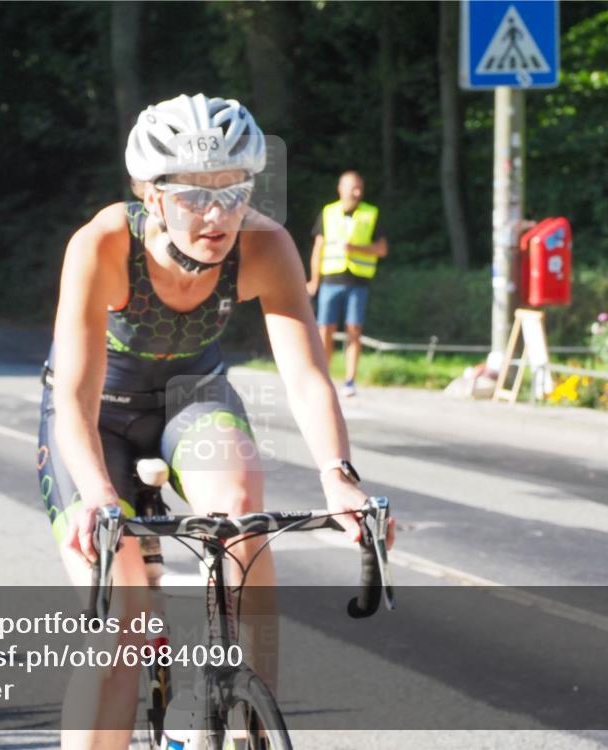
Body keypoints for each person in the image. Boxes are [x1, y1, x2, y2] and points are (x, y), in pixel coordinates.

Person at [36, 94, 394, 750]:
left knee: (240, 510)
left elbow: (307, 375)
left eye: (233, 191)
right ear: (150, 192)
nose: (216, 214)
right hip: (97, 422)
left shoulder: (266, 245)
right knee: (124, 621)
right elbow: (76, 400)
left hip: (191, 400)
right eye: (193, 194)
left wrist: (339, 478)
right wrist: (96, 496)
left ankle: (242, 722)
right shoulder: (103, 244)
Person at [306, 171, 389, 398]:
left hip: (358, 281)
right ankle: (324, 377)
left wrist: (356, 249)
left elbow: (382, 249)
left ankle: (350, 381)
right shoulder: (328, 212)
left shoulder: (370, 214)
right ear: (340, 188)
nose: (357, 192)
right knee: (325, 330)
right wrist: (314, 280)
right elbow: (318, 249)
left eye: (360, 188)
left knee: (354, 330)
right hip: (331, 279)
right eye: (353, 188)